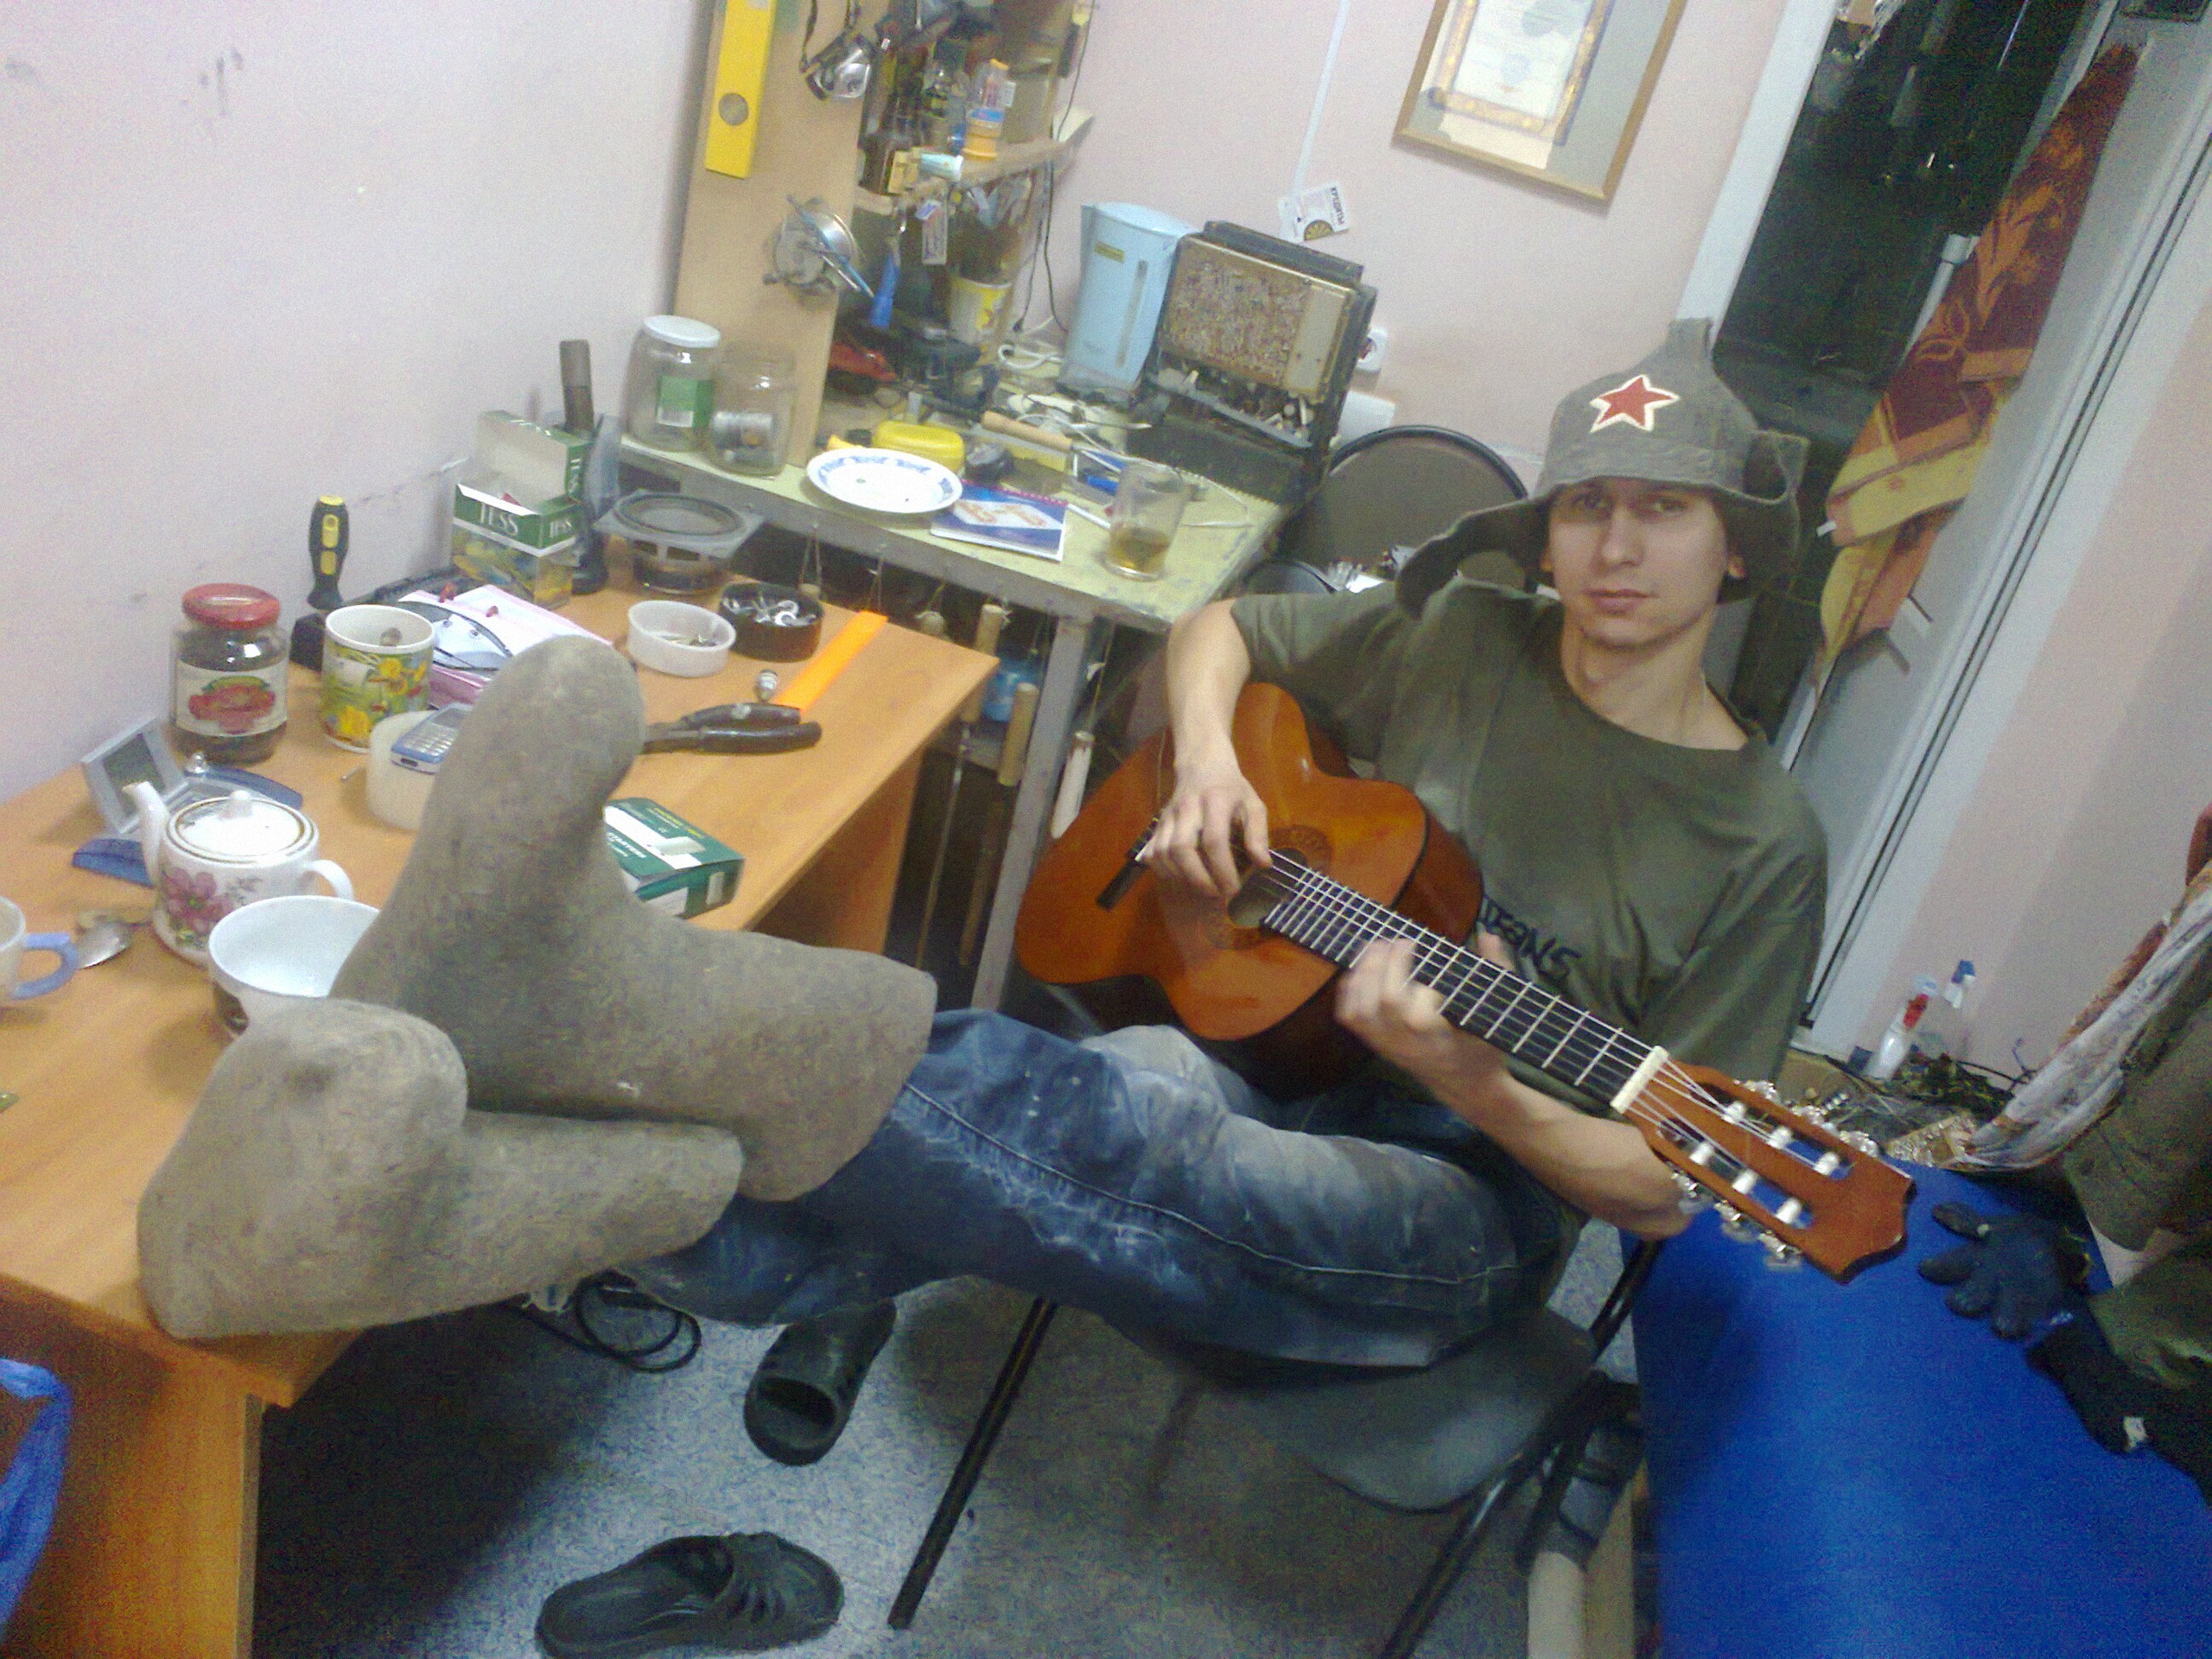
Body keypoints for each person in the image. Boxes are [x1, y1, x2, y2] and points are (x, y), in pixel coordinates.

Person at [622, 317, 1828, 1460]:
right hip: (1283, 1047)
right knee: (1084, 1100)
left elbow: (1665, 1191)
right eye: (1587, 506)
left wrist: (1474, 1082)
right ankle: (671, 1218)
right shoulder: (1469, 633)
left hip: (1470, 1188)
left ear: (1734, 548)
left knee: (1134, 1153)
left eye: (1664, 510)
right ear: (1548, 534)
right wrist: (1206, 767)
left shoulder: (1764, 847)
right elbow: (1220, 631)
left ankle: (651, 1057)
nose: (1616, 549)